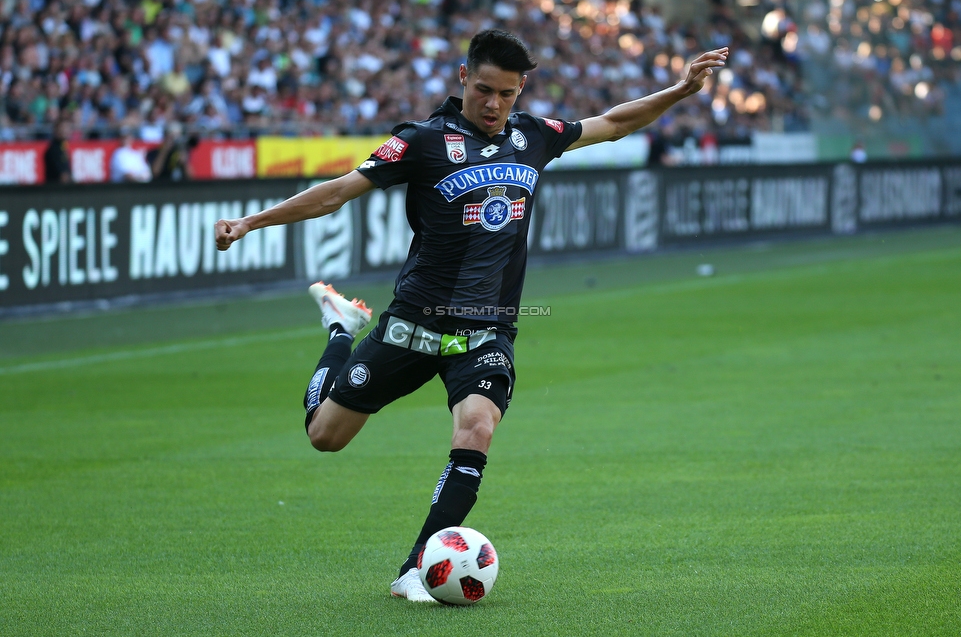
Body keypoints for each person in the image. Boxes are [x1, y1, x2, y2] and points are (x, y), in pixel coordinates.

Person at [214, 30, 728, 602]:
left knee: (477, 426)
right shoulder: (420, 142)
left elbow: (611, 122)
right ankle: (341, 329)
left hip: (486, 333)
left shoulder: (534, 136)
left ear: (520, 90)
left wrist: (680, 91)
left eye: (507, 94)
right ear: (463, 79)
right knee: (324, 436)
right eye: (484, 90)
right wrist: (251, 222)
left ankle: (416, 569)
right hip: (413, 324)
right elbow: (337, 192)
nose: (494, 104)